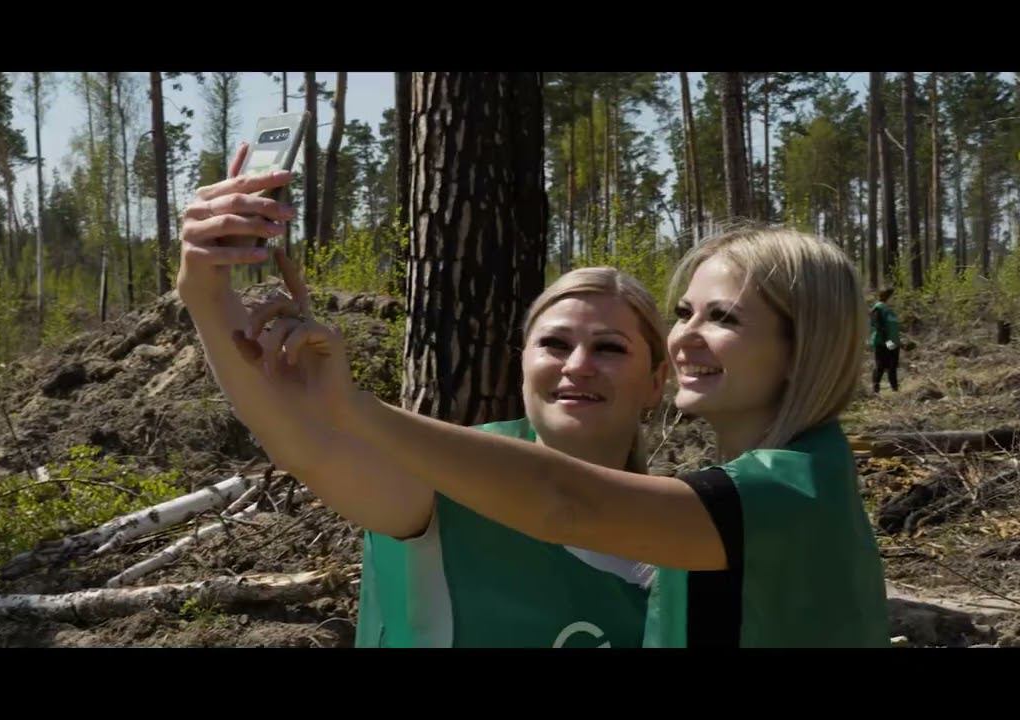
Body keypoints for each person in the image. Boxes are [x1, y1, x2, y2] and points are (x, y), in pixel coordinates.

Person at [227, 212, 890, 647]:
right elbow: (310, 451)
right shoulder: (770, 482)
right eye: (684, 312)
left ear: (802, 348)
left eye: (724, 318)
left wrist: (353, 406)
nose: (685, 336)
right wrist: (211, 291)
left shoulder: (792, 491)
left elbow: (563, 502)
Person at [176, 144, 667, 647]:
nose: (577, 366)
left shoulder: (683, 530)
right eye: (554, 345)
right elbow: (309, 448)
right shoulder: (452, 483)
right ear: (521, 364)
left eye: (609, 347)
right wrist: (207, 293)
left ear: (657, 380)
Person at [870, 287, 901, 394]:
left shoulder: (890, 311)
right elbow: (878, 326)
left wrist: (901, 343)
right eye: (894, 296)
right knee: (881, 366)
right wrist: (887, 342)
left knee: (893, 366)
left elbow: (893, 328)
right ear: (888, 296)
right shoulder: (878, 308)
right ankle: (875, 390)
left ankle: (895, 390)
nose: (896, 299)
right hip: (882, 342)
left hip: (893, 343)